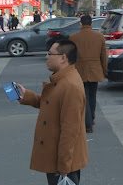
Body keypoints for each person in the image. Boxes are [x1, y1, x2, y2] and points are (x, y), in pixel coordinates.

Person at [16, 39, 88, 185]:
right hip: (56, 155)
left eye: (50, 53)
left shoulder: (70, 85)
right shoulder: (62, 79)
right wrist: (28, 97)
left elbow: (70, 130)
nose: (46, 57)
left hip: (63, 161)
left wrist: (64, 165)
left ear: (63, 58)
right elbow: (51, 104)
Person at [70, 14, 108, 133]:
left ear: (80, 24)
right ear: (91, 24)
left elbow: (70, 57)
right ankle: (91, 118)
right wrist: (104, 70)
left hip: (79, 70)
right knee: (92, 95)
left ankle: (87, 123)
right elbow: (104, 56)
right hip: (95, 70)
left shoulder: (73, 38)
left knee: (84, 97)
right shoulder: (99, 37)